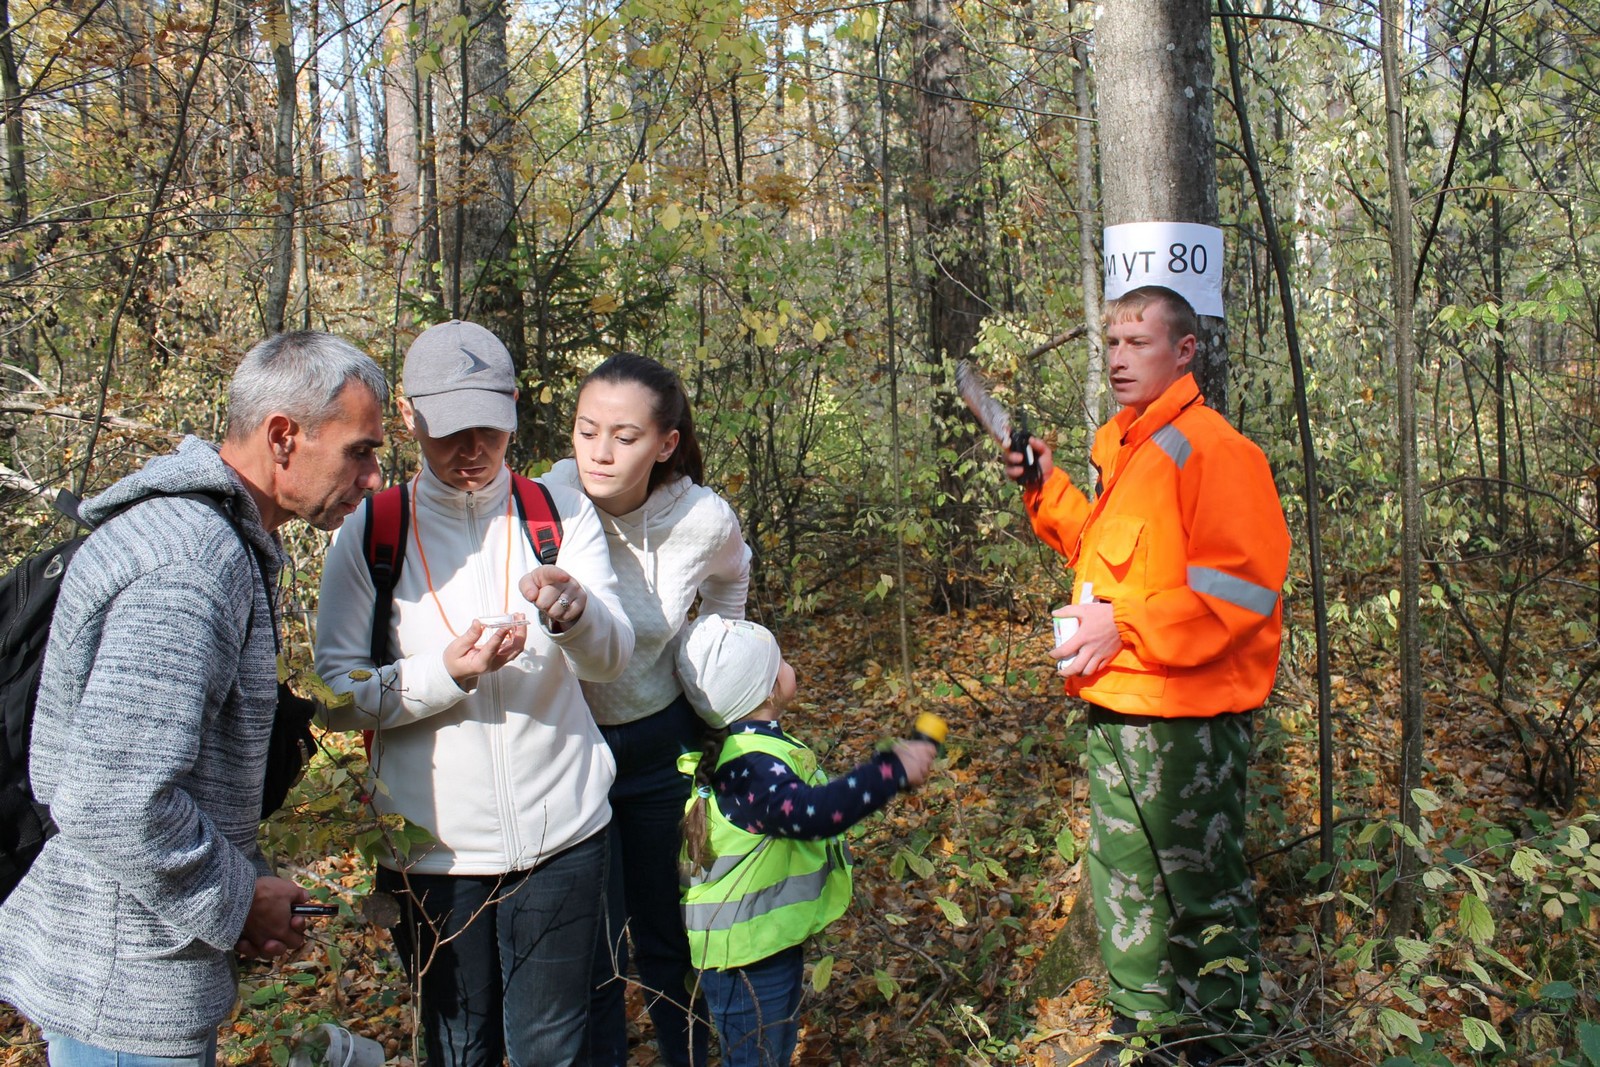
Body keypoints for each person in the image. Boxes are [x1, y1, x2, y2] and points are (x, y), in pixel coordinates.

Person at [0, 332, 388, 1065]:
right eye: (360, 451)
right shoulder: (191, 565)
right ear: (283, 436)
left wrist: (243, 880)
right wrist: (241, 897)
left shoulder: (197, 532)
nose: (372, 477)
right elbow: (114, 799)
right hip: (126, 991)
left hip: (123, 961)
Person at [314, 319, 634, 1067]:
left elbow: (613, 660)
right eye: (450, 430)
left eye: (489, 427)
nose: (473, 450)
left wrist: (576, 611)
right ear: (408, 415)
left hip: (565, 836)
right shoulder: (371, 531)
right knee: (459, 1046)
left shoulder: (557, 514)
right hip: (432, 855)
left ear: (515, 407)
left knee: (550, 1047)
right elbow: (335, 693)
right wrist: (442, 676)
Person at [1000, 286, 1290, 1067]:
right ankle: (1143, 1037)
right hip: (1116, 704)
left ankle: (1223, 1042)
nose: (1120, 357)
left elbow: (1241, 595)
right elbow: (1103, 552)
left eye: (1138, 342)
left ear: (1185, 350)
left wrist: (1124, 623)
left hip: (1187, 722)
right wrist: (1043, 485)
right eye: (1112, 342)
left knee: (1202, 893)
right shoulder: (1127, 447)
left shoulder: (1215, 451)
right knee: (1126, 883)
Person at [545, 353, 750, 1067]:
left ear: (665, 442)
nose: (599, 452)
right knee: (593, 951)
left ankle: (689, 1055)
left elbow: (733, 577)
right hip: (568, 746)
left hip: (664, 745)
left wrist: (716, 661)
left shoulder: (700, 517)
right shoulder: (549, 499)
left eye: (624, 436)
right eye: (586, 429)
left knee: (667, 937)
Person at [673, 615, 937, 1067]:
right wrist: (891, 772)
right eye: (782, 662)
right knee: (757, 1057)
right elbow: (813, 815)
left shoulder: (746, 750)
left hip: (758, 946)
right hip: (745, 961)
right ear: (769, 691)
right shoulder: (749, 767)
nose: (791, 666)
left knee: (768, 1050)